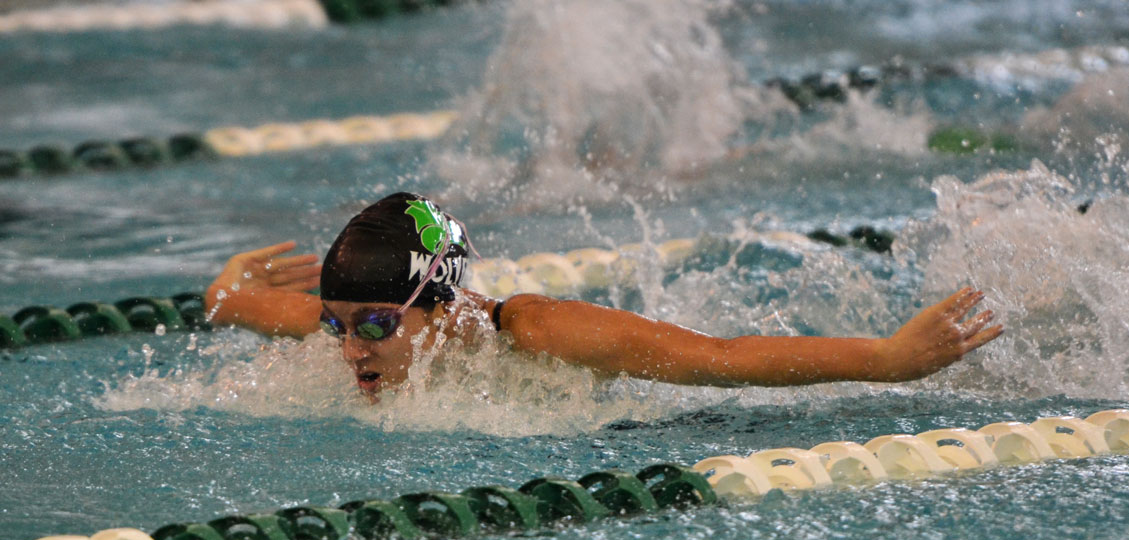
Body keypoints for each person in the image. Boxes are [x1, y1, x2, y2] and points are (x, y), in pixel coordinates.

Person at [205, 192, 1003, 400]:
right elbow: (234, 302)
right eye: (336, 325)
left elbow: (717, 358)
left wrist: (887, 358)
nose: (349, 350)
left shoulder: (540, 332)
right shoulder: (351, 326)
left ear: (442, 308)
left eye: (375, 324)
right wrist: (229, 283)